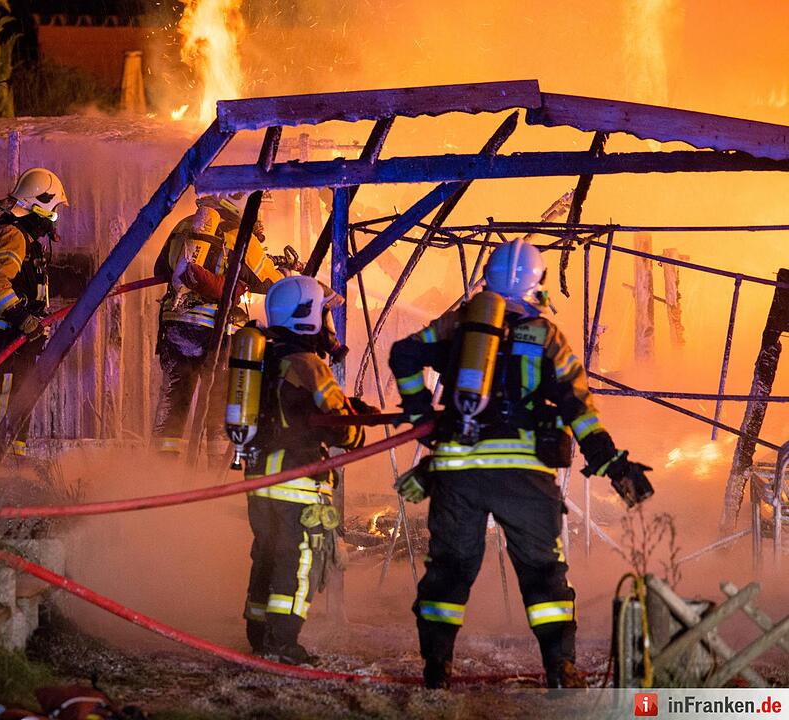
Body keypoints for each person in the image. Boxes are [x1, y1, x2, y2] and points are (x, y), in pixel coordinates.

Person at [387, 238, 653, 689]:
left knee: (448, 570)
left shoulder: (458, 324)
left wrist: (420, 416)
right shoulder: (546, 336)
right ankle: (559, 668)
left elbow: (403, 355)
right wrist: (613, 465)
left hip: (456, 471)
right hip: (524, 474)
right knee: (543, 572)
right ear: (538, 285)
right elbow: (579, 409)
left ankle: (437, 668)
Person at [241, 275, 368, 665]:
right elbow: (343, 430)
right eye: (324, 313)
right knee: (300, 562)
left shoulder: (266, 356)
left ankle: (258, 633)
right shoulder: (309, 365)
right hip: (298, 483)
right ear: (307, 316)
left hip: (262, 481)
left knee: (266, 555)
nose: (328, 324)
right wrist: (358, 424)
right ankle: (284, 643)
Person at [151, 193, 286, 461]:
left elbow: (161, 269)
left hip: (175, 326)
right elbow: (270, 282)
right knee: (217, 403)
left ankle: (160, 470)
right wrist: (284, 271)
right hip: (215, 329)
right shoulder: (239, 234)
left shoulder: (183, 226)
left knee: (175, 400)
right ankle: (214, 472)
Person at [0, 167, 89, 456]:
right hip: (3, 330)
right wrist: (23, 320)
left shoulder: (22, 236)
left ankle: (14, 457)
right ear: (38, 205)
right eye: (53, 212)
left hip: (13, 331)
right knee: (3, 394)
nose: (54, 220)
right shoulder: (12, 234)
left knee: (17, 396)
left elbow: (26, 283)